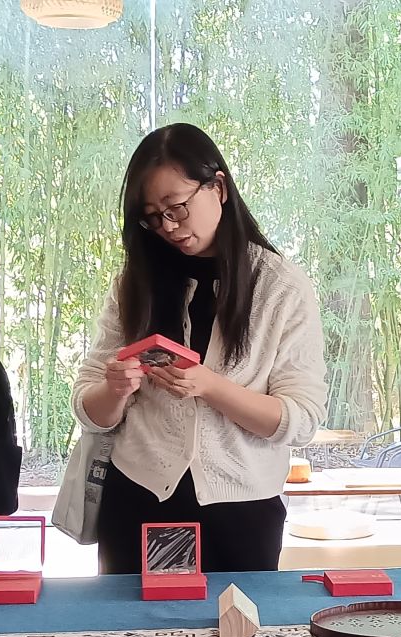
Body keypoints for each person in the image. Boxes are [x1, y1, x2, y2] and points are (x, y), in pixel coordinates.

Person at [72, 123, 328, 574]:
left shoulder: (281, 287)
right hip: (139, 500)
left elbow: (301, 419)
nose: (168, 227)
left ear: (219, 188)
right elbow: (88, 409)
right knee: (134, 620)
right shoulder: (134, 284)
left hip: (240, 513)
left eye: (176, 207)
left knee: (232, 620)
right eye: (153, 217)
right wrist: (114, 390)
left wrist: (210, 386)